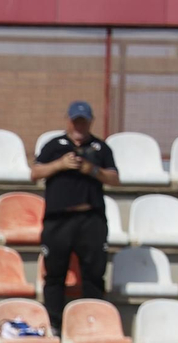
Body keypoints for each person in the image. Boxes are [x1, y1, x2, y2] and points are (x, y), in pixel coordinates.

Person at [32, 101, 118, 329]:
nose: (79, 125)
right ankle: (55, 324)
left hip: (91, 219)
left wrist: (92, 170)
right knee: (55, 274)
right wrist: (60, 164)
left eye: (84, 121)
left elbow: (114, 178)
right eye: (75, 120)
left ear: (90, 121)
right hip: (59, 219)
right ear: (68, 120)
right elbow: (35, 172)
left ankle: (93, 323)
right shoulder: (54, 145)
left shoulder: (100, 148)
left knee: (93, 274)